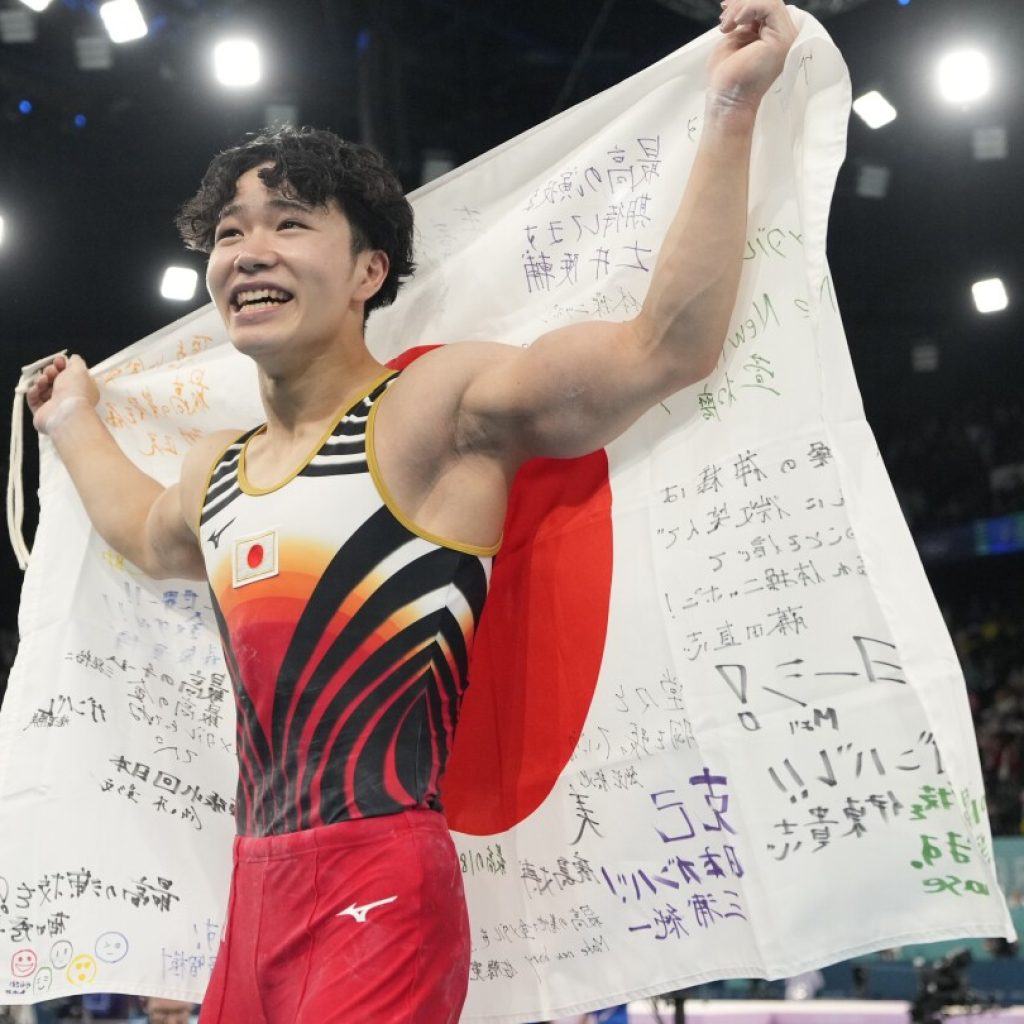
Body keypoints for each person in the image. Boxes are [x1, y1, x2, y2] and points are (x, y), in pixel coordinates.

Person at [26, 2, 797, 1020]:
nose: (248, 251)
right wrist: (73, 417)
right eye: (229, 234)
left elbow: (663, 350)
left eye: (289, 224)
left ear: (368, 272)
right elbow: (142, 533)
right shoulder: (219, 467)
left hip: (379, 881)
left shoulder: (433, 410)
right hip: (251, 882)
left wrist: (731, 106)